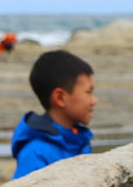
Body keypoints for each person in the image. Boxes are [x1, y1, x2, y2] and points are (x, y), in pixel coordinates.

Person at [11, 49, 97, 178]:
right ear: (60, 98)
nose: (94, 101)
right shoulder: (35, 154)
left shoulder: (78, 141)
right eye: (88, 92)